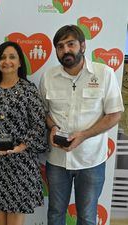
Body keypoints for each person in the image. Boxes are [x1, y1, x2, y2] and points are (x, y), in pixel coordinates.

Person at [39, 25, 124, 225]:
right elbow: (43, 112)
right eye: (60, 46)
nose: (66, 50)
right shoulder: (48, 77)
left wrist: (84, 135)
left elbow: (114, 114)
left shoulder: (104, 73)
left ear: (83, 46)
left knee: (87, 216)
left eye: (71, 44)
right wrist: (52, 127)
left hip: (91, 160)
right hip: (57, 160)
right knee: (55, 214)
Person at [0, 41, 47, 225]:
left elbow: (38, 125)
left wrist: (19, 147)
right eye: (2, 57)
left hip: (20, 164)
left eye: (12, 57)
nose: (7, 61)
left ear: (20, 62)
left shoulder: (29, 90)